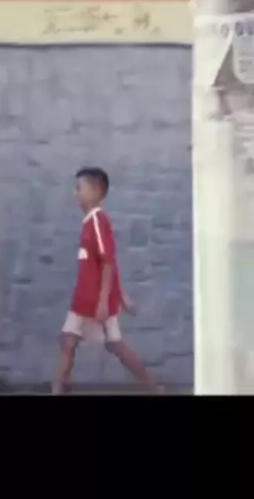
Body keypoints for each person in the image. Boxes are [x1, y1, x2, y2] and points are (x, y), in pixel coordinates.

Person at [52, 167, 164, 394]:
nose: (75, 193)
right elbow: (109, 261)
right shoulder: (90, 222)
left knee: (108, 344)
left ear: (95, 192)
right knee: (70, 341)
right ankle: (60, 388)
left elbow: (108, 261)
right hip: (85, 299)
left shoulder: (97, 221)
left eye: (79, 188)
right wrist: (120, 295)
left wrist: (104, 301)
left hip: (92, 301)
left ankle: (154, 387)